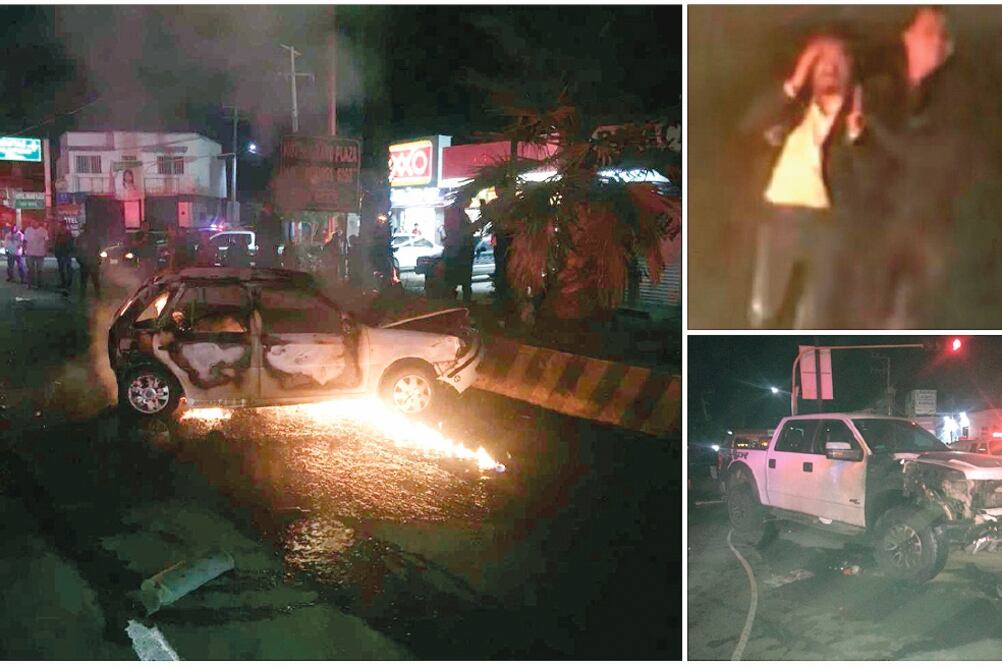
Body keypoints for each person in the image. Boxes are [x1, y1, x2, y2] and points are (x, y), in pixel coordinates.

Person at [741, 32, 861, 328]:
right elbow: (750, 125)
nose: (829, 67)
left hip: (826, 224)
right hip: (779, 218)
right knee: (764, 310)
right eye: (821, 61)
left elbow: (870, 177)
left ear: (850, 70)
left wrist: (855, 137)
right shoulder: (792, 112)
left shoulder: (858, 120)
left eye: (837, 61)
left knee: (812, 316)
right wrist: (794, 83)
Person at [442, 195, 473, 300]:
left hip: (459, 248)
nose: (471, 202)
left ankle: (460, 298)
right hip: (459, 249)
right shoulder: (455, 212)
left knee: (459, 276)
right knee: (458, 275)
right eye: (469, 199)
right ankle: (458, 299)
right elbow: (456, 231)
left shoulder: (458, 212)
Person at [75, 224, 102, 298]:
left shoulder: (80, 238)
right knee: (95, 281)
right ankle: (98, 296)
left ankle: (82, 296)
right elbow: (98, 249)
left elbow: (77, 250)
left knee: (84, 282)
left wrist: (80, 260)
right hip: (93, 262)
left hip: (85, 263)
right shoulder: (95, 238)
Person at [23, 218, 50, 289]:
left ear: (38, 223)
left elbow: (46, 241)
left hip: (40, 253)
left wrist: (46, 251)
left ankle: (39, 284)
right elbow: (25, 240)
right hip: (30, 252)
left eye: (35, 222)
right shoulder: (28, 230)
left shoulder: (43, 230)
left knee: (39, 270)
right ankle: (29, 284)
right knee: (30, 269)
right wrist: (24, 249)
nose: (33, 224)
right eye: (32, 222)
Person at [257, 201, 282, 269]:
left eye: (267, 207)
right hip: (264, 247)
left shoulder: (275, 219)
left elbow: (277, 233)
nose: (264, 209)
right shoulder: (261, 218)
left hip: (271, 246)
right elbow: (258, 230)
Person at [53, 221, 75, 289]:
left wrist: (69, 252)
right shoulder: (59, 234)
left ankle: (68, 283)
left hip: (66, 254)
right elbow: (56, 244)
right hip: (60, 254)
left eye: (61, 226)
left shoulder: (68, 234)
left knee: (67, 268)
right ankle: (64, 283)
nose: (60, 227)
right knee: (61, 269)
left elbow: (70, 244)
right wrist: (56, 252)